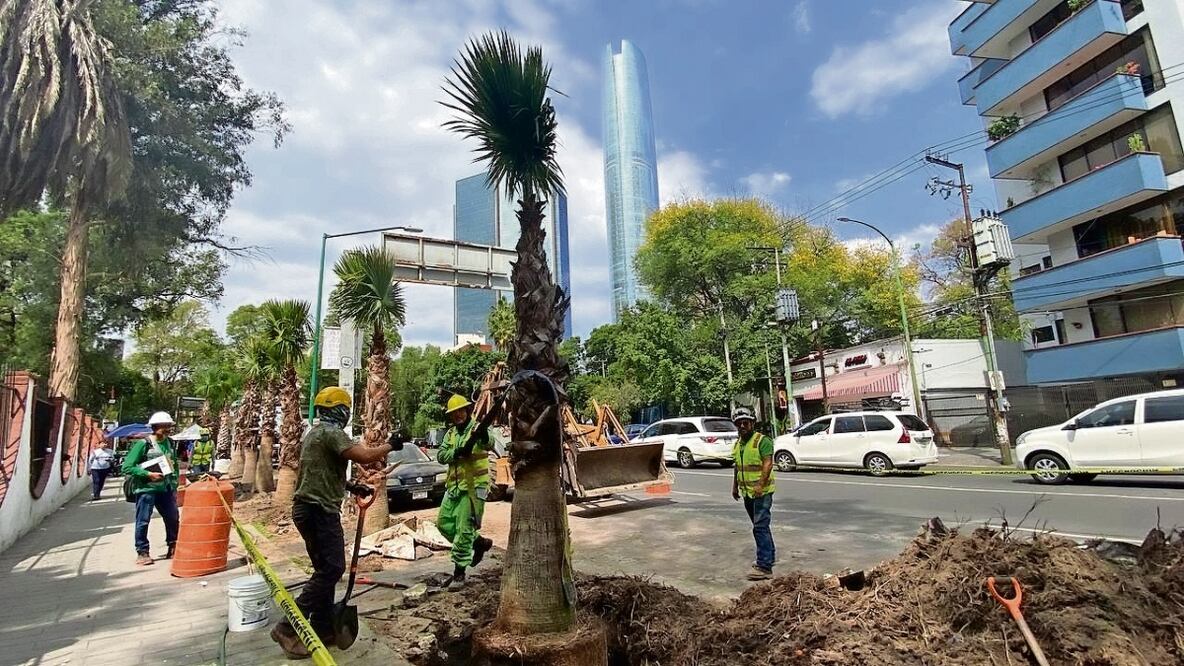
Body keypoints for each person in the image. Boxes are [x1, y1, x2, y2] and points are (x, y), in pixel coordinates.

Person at [271, 386, 395, 659]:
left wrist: (351, 486)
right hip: (319, 511)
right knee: (333, 568)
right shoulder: (331, 432)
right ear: (342, 411)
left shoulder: (314, 434)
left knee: (324, 570)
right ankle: (287, 627)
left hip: (306, 509)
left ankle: (322, 626)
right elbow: (364, 456)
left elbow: (321, 472)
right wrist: (392, 445)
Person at [436, 393, 496, 591]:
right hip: (453, 488)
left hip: (473, 488)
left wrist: (483, 434)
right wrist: (455, 453)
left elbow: (489, 443)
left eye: (461, 411)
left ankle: (459, 572)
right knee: (443, 524)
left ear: (467, 410)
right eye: (454, 413)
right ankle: (478, 542)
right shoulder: (451, 434)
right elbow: (441, 455)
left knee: (463, 531)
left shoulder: (478, 429)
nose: (458, 415)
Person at [121, 411, 181, 566]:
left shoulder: (170, 443)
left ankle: (173, 545)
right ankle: (142, 552)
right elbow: (127, 467)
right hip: (146, 489)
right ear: (154, 427)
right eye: (164, 426)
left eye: (168, 426)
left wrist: (174, 483)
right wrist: (148, 474)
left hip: (165, 489)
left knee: (172, 517)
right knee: (143, 521)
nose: (167, 429)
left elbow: (173, 464)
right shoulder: (143, 444)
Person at [730, 407, 776, 581]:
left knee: (760, 527)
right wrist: (735, 486)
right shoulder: (738, 444)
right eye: (739, 423)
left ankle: (764, 566)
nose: (742, 426)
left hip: (762, 493)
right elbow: (737, 467)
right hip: (747, 493)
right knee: (761, 527)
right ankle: (769, 556)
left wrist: (760, 485)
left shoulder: (762, 441)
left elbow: (768, 463)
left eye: (746, 422)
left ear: (752, 423)